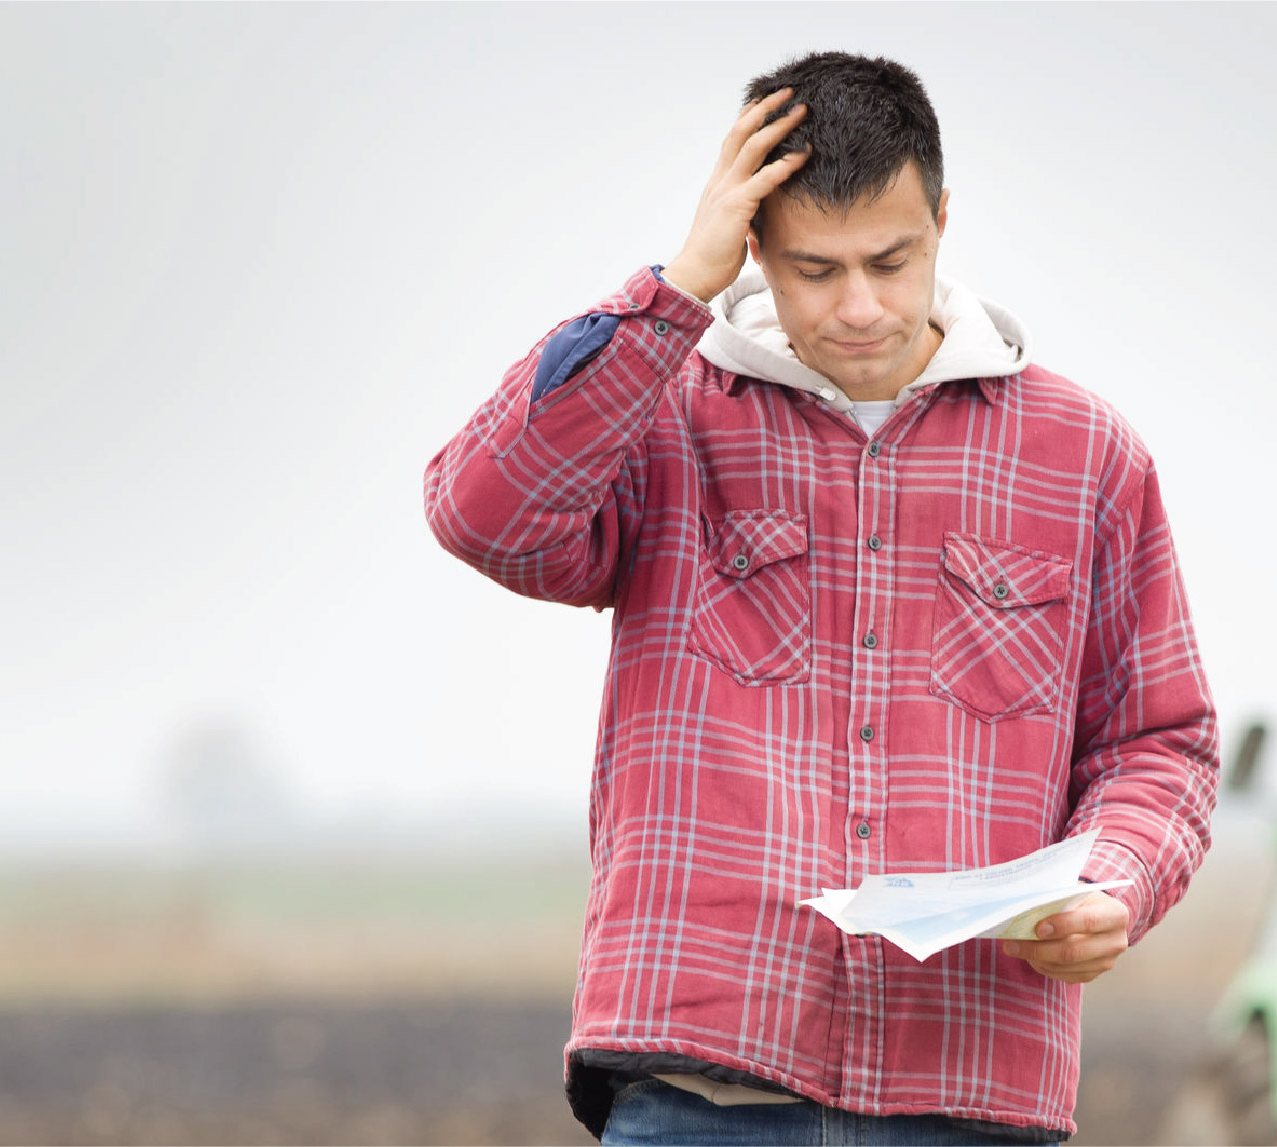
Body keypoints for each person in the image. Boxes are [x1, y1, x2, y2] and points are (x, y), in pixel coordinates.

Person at [422, 52, 1219, 1145]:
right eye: (815, 268)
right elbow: (485, 515)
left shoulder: (1086, 455)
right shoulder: (661, 417)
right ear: (753, 246)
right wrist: (671, 291)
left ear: (942, 219)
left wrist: (1117, 885)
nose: (857, 307)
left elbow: (1160, 742)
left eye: (890, 262)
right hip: (703, 1086)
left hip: (970, 1086)